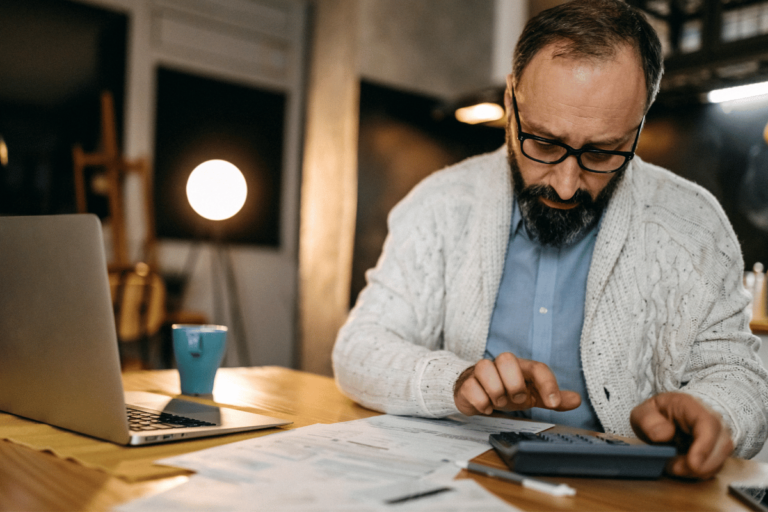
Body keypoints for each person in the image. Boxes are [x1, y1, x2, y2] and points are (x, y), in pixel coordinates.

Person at [332, 0, 768, 479]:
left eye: (602, 152)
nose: (564, 185)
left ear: (638, 125)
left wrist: (712, 411)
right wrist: (452, 381)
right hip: (463, 483)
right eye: (542, 142)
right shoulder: (438, 205)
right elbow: (360, 347)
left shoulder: (696, 224)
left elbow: (740, 377)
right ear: (511, 100)